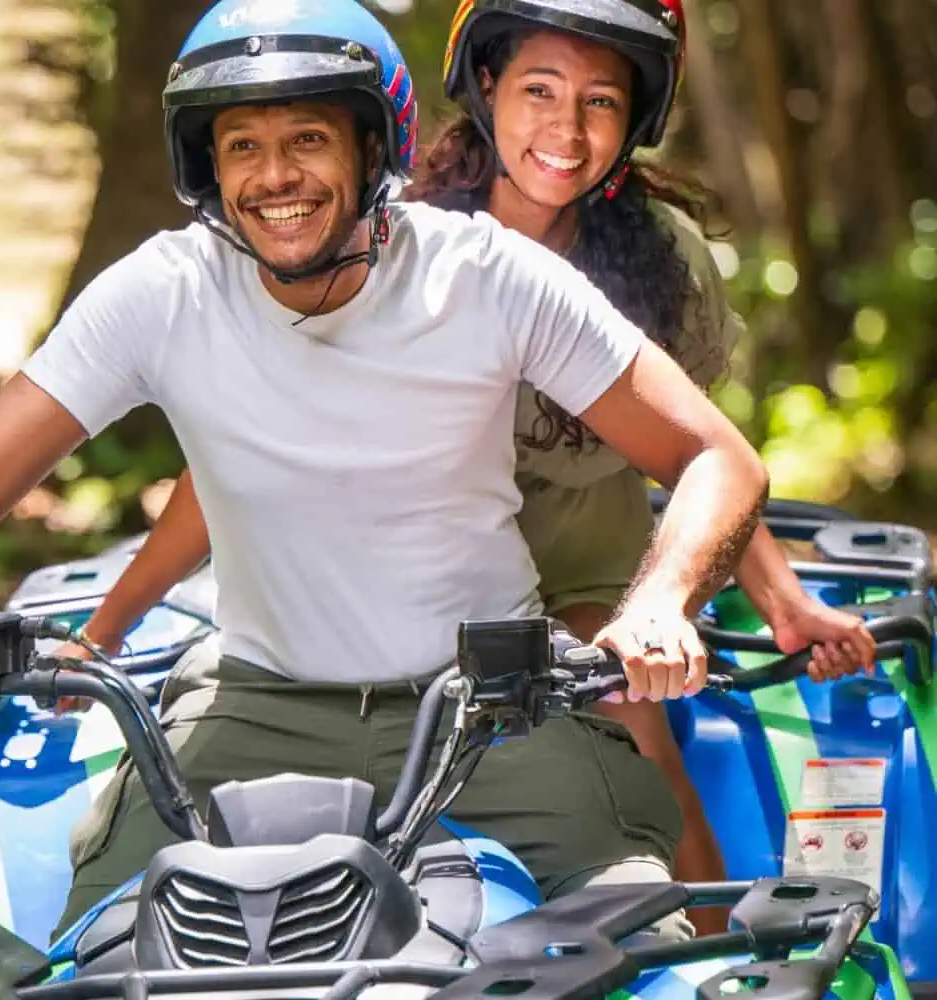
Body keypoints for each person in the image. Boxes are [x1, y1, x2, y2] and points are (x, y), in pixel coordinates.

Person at [0, 0, 773, 946]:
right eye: (242, 146)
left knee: (643, 943)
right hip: (253, 699)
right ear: (207, 166)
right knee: (98, 949)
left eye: (309, 139)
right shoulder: (163, 292)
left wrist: (659, 605)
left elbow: (716, 456)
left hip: (488, 703)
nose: (275, 176)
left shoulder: (483, 274)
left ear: (375, 151)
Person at [44, 0, 878, 936]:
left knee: (631, 731)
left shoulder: (665, 258)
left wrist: (775, 601)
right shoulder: (387, 236)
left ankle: (698, 957)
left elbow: (702, 454)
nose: (565, 130)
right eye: (537, 92)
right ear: (483, 89)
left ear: (635, 119)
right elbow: (244, 452)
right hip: (417, 577)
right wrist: (106, 626)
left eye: (601, 102)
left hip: (585, 568)